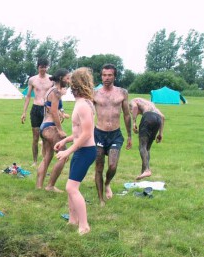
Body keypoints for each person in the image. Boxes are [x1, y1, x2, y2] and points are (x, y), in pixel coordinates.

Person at [54, 67, 97, 235]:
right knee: (70, 186)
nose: (68, 82)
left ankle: (84, 225)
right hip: (82, 149)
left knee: (72, 188)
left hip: (86, 151)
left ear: (76, 83)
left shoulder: (83, 106)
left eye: (70, 80)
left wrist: (68, 151)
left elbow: (87, 134)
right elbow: (79, 132)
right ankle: (73, 220)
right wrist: (65, 140)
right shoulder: (82, 103)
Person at [93, 63, 132, 206]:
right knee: (99, 167)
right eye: (104, 75)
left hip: (115, 134)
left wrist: (129, 136)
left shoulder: (122, 92)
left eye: (109, 75)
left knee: (113, 166)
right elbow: (87, 113)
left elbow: (127, 115)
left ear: (114, 76)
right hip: (98, 134)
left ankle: (107, 183)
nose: (106, 78)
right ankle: (101, 199)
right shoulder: (95, 93)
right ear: (101, 76)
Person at [36, 69, 70, 192]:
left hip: (43, 127)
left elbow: (51, 109)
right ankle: (50, 186)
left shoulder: (50, 90)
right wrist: (60, 130)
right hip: (51, 126)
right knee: (64, 156)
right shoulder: (55, 92)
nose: (69, 80)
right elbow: (54, 111)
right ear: (61, 78)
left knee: (47, 157)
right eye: (67, 78)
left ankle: (39, 186)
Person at [21, 59, 52, 166]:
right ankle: (34, 161)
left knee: (46, 137)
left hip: (46, 110)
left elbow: (55, 96)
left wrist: (58, 110)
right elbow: (28, 96)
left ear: (47, 67)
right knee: (35, 136)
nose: (43, 69)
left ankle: (44, 160)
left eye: (45, 67)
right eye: (41, 67)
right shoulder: (32, 80)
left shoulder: (51, 79)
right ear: (38, 67)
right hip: (35, 108)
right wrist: (24, 112)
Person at [130, 98, 165, 180]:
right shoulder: (151, 104)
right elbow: (162, 117)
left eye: (130, 110)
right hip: (158, 119)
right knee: (147, 148)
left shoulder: (133, 101)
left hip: (148, 118)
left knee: (142, 146)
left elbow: (134, 107)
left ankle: (146, 170)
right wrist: (160, 133)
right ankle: (143, 172)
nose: (131, 112)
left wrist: (134, 122)